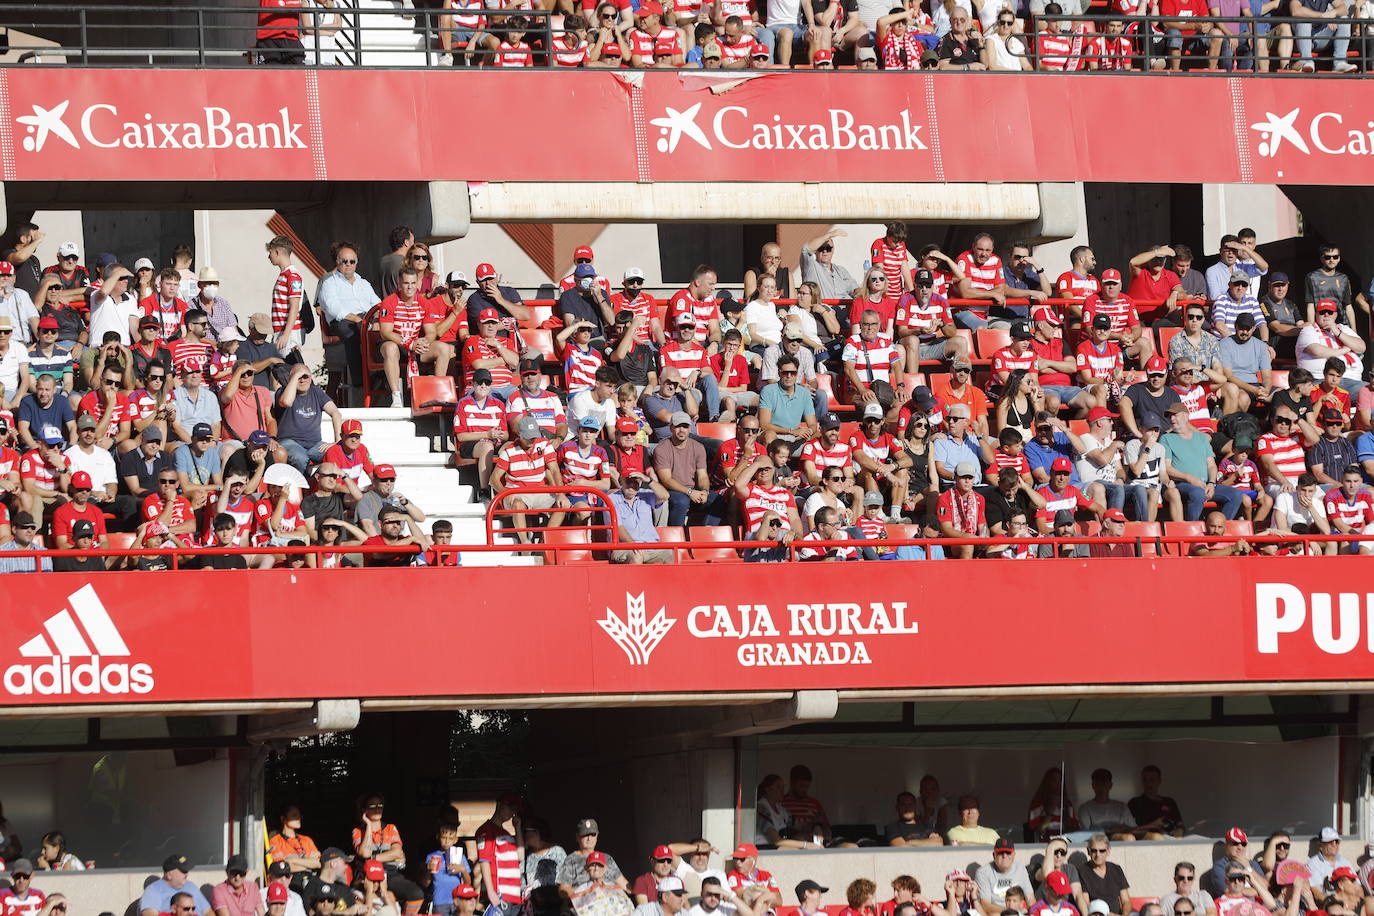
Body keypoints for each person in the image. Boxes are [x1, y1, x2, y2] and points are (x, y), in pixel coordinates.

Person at [1162, 403, 1242, 519]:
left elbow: (1211, 465)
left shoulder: (1201, 438)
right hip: (1183, 484)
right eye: (1169, 416)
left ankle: (1220, 528)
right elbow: (1167, 468)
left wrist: (1212, 483)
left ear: (1186, 416)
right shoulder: (1166, 438)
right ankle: (1192, 531)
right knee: (1197, 493)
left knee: (1235, 494)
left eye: (1175, 415)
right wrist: (1190, 478)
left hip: (1205, 484)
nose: (1172, 419)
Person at [352, 795, 424, 914]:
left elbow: (397, 852)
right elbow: (364, 852)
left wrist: (373, 858)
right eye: (372, 806)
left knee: (417, 894)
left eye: (380, 806)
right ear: (364, 810)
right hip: (368, 875)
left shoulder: (391, 828)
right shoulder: (358, 831)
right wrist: (369, 826)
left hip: (390, 873)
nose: (377, 809)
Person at [610, 470, 674, 564]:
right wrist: (633, 545)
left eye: (636, 481)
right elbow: (618, 528)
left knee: (672, 555)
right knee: (636, 557)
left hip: (650, 546)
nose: (632, 485)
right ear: (620, 482)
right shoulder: (612, 499)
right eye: (628, 481)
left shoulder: (646, 494)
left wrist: (648, 480)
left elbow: (665, 496)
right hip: (625, 547)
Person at [141, 855, 213, 916]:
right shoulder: (153, 890)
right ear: (169, 875)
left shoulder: (191, 886)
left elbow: (208, 912)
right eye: (183, 871)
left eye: (187, 871)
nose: (187, 874)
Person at [977, 839, 1034, 914]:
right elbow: (985, 905)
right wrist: (1011, 912)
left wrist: (1033, 912)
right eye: (1000, 853)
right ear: (994, 855)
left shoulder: (1020, 868)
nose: (1004, 856)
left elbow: (1030, 899)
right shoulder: (983, 872)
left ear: (1014, 854)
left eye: (1008, 853)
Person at [1127, 766, 1185, 839]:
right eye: (1144, 780)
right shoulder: (1135, 803)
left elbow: (1180, 825)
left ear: (1159, 781)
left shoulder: (1169, 802)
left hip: (1169, 840)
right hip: (1145, 841)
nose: (1148, 783)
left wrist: (1179, 832)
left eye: (1152, 780)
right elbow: (1129, 831)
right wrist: (1153, 824)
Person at [1079, 837, 1131, 916]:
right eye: (1094, 851)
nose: (1098, 854)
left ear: (1108, 851)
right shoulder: (1081, 871)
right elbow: (1085, 904)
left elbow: (1126, 901)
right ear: (1088, 851)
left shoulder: (1116, 869)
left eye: (1102, 851)